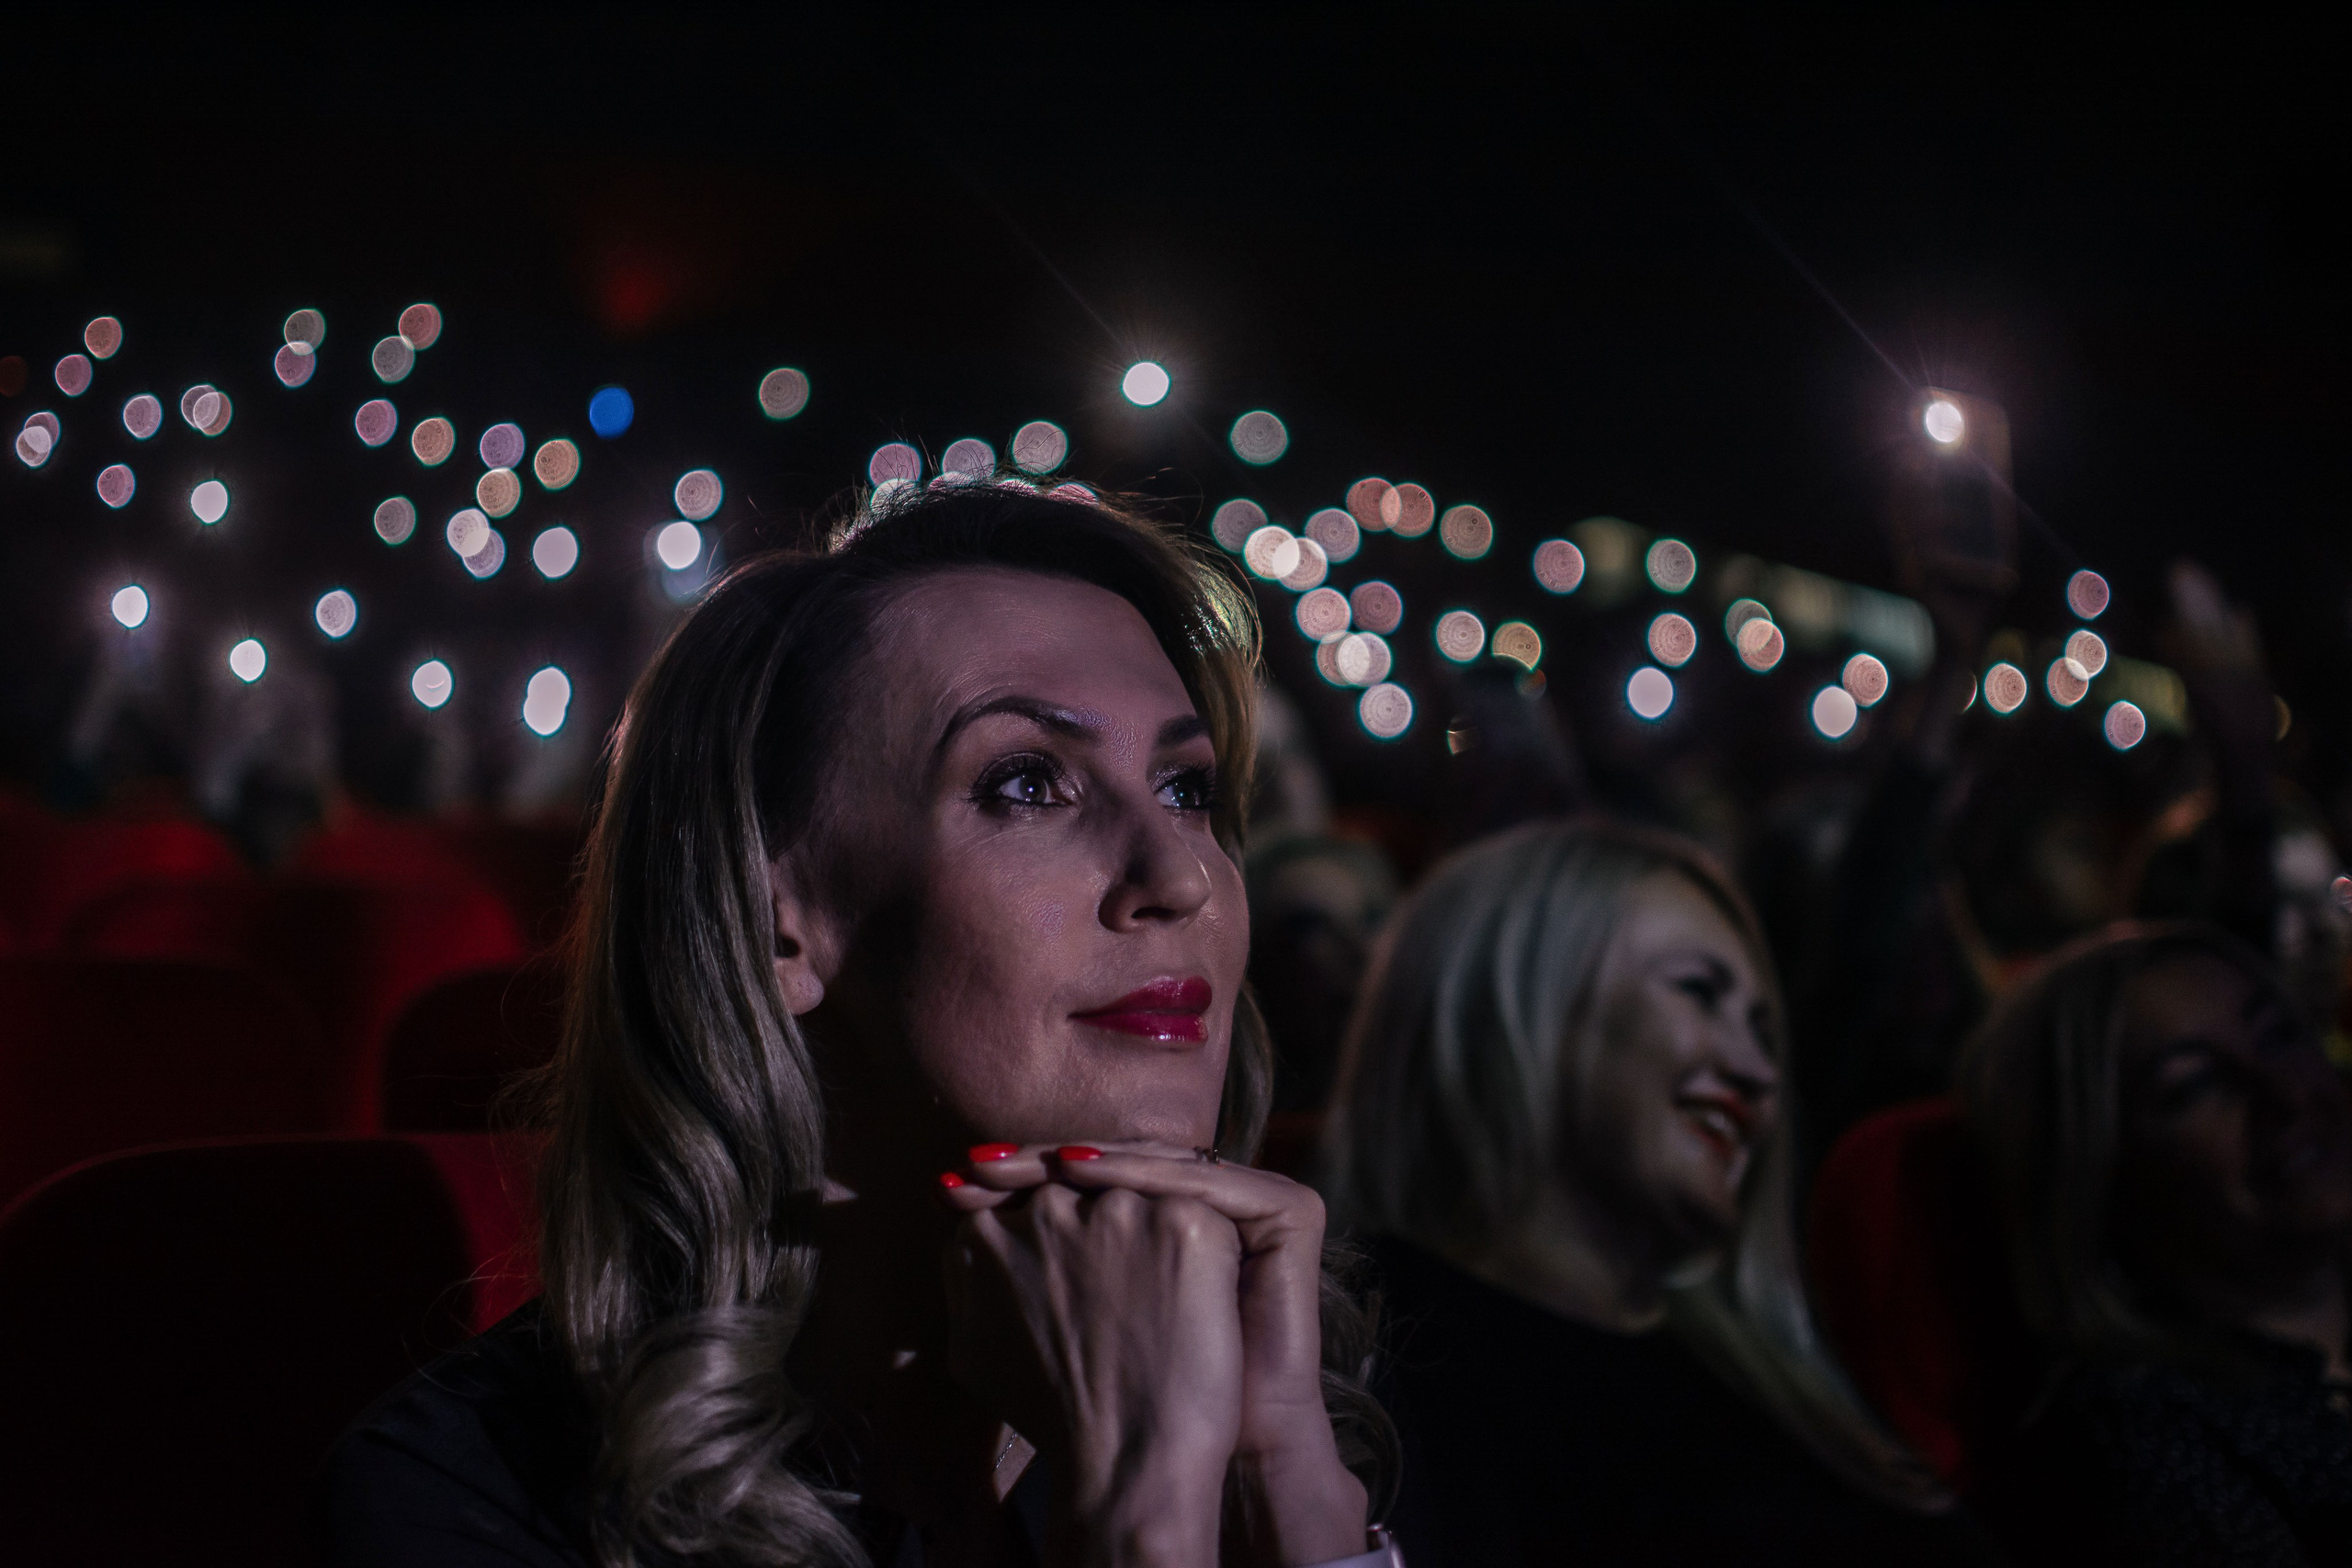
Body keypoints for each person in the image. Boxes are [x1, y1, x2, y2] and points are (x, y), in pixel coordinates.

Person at [325, 480, 1398, 1567]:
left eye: (1185, 789)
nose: (1179, 874)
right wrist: (1141, 1508)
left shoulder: (1337, 1415)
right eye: (1027, 783)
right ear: (776, 923)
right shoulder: (475, 1492)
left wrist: (1312, 1527)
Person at [1325, 818, 1989, 1566]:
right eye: (1699, 992)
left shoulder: (1767, 1370)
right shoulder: (1359, 1361)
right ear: (1516, 991)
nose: (1757, 1074)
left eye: (1765, 1033)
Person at [1962, 923, 2352, 1565]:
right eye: (2196, 1083)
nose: (2283, 1094)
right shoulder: (2146, 1437)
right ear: (2096, 1180)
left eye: (2280, 1035)